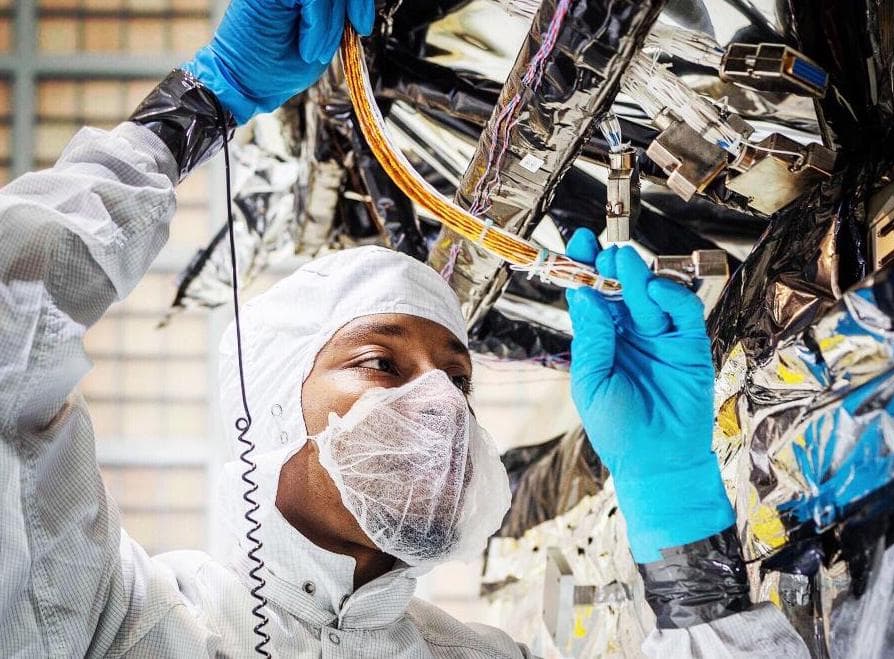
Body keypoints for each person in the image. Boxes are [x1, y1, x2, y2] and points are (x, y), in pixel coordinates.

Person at [0, 0, 810, 656]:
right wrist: (200, 105)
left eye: (457, 378)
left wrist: (676, 519)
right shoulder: (114, 617)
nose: (439, 404)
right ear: (274, 405)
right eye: (380, 362)